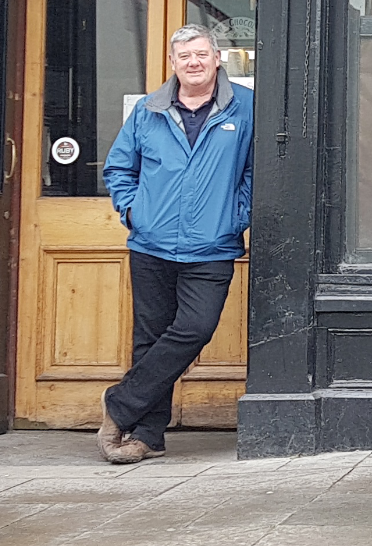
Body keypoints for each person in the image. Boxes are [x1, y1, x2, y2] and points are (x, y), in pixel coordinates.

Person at [95, 24, 254, 464]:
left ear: (217, 58)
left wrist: (236, 215)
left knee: (195, 328)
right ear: (172, 63)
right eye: (184, 56)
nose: (194, 62)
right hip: (151, 244)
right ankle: (148, 436)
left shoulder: (245, 108)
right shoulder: (149, 110)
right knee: (149, 338)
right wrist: (134, 212)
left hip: (213, 246)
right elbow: (119, 168)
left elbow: (256, 171)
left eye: (201, 54)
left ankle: (120, 404)